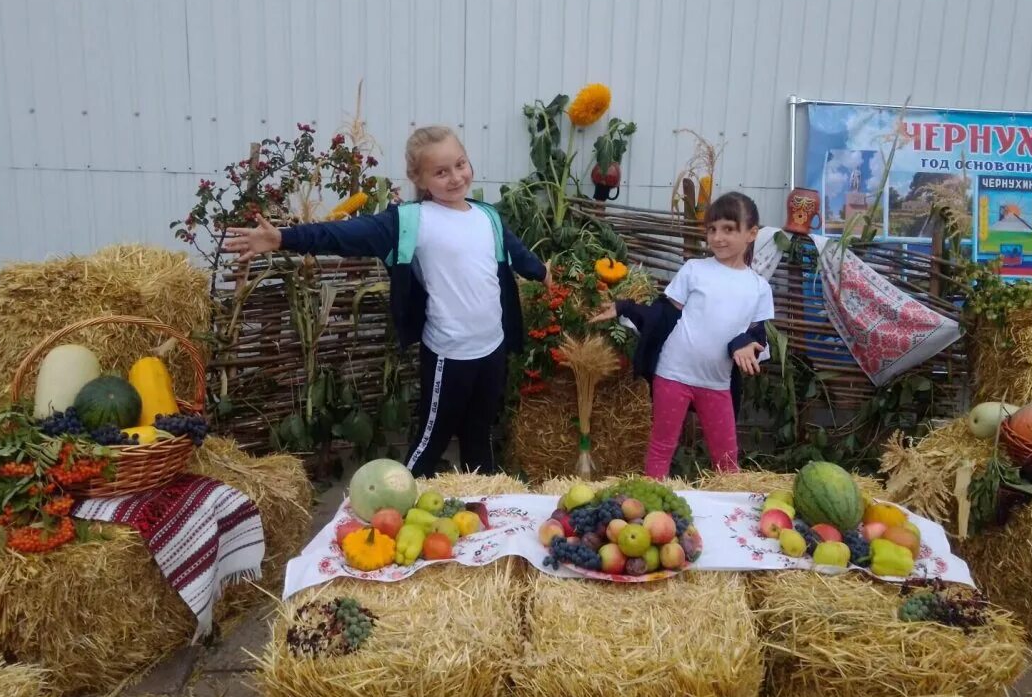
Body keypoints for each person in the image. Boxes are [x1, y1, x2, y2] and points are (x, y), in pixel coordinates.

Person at [223, 125, 551, 477]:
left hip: (492, 350)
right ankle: (399, 501)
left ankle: (483, 504)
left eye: (460, 164)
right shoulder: (410, 222)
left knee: (479, 434)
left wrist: (543, 274)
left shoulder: (488, 217)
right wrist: (283, 239)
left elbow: (516, 254)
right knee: (432, 440)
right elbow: (344, 234)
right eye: (441, 172)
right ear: (419, 178)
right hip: (449, 354)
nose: (456, 178)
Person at [591, 191, 773, 478]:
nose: (718, 237)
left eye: (728, 229)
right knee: (662, 446)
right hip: (673, 374)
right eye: (712, 229)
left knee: (726, 458)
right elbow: (663, 314)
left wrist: (744, 345)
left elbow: (757, 335)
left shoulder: (759, 288)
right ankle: (650, 502)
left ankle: (730, 513)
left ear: (751, 233)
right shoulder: (695, 270)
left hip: (717, 383)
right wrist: (624, 307)